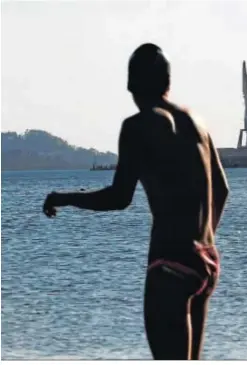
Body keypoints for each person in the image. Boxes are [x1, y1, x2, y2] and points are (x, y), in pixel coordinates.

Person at [42, 43, 229, 360]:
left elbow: (119, 197)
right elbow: (222, 190)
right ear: (168, 82)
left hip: (170, 263)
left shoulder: (137, 125)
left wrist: (65, 198)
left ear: (130, 84)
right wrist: (200, 241)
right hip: (207, 261)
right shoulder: (198, 123)